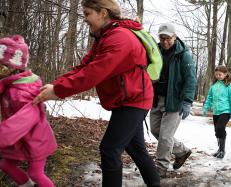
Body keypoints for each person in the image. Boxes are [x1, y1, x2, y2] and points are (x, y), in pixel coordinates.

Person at [33, 0, 160, 186]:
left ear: (103, 13)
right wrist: (56, 85)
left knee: (110, 150)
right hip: (128, 99)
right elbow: (84, 66)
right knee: (136, 148)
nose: (85, 19)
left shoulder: (120, 37)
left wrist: (59, 90)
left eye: (87, 14)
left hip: (134, 100)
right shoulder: (106, 36)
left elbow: (95, 72)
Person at [0, 35, 57, 187]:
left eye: (1, 67)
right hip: (21, 140)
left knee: (36, 173)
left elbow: (23, 121)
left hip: (36, 139)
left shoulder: (22, 91)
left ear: (13, 68)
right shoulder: (11, 85)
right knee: (6, 165)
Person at [149, 22, 196, 177]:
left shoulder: (183, 55)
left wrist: (187, 101)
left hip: (174, 101)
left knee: (165, 136)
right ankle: (182, 151)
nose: (165, 41)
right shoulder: (155, 51)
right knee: (155, 130)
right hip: (156, 98)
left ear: (174, 37)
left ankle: (161, 168)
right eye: (162, 38)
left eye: (168, 38)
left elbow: (190, 79)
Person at [202, 65, 231, 159]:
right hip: (216, 112)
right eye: (216, 74)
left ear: (225, 74)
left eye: (220, 74)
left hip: (226, 111)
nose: (218, 76)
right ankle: (219, 149)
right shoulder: (214, 86)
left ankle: (222, 150)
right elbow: (209, 98)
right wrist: (205, 108)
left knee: (220, 128)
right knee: (217, 131)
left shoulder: (230, 85)